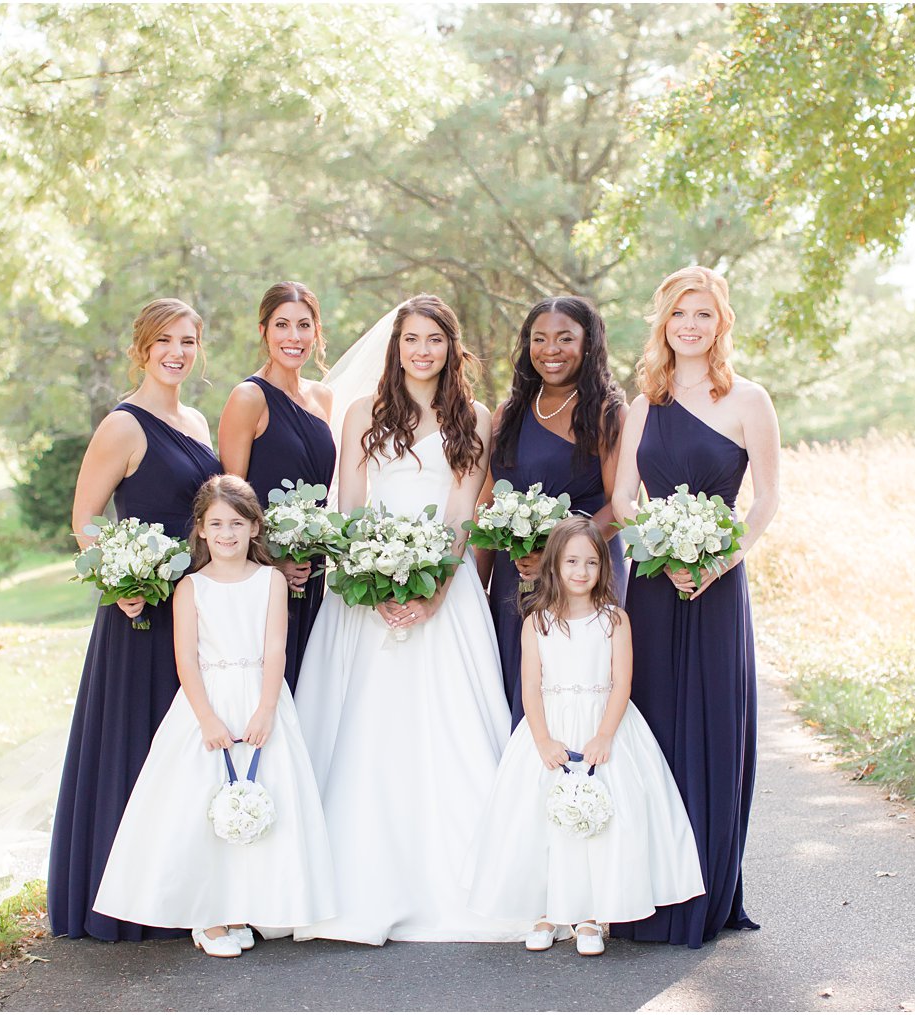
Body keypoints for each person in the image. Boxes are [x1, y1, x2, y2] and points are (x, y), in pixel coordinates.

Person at [293, 294, 524, 945]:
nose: (422, 350)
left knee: (449, 730)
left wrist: (432, 590)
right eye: (412, 339)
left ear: (452, 348)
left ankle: (466, 885)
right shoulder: (363, 414)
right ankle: (354, 884)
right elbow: (354, 509)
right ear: (396, 347)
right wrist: (372, 583)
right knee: (367, 728)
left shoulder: (472, 417)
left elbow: (459, 517)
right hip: (365, 598)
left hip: (443, 599)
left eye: (435, 340)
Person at [93, 476, 335, 957]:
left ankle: (243, 905)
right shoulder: (191, 587)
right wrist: (205, 718)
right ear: (201, 530)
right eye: (217, 523)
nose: (227, 533)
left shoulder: (269, 580)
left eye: (237, 523)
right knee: (200, 804)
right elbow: (185, 659)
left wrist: (267, 709)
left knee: (265, 797)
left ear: (254, 528)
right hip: (207, 701)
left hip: (259, 696)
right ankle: (208, 918)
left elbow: (274, 647)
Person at [609, 265, 780, 948]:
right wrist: (661, 548)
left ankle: (707, 892)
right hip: (653, 580)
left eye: (703, 314)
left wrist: (716, 560)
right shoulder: (641, 405)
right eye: (680, 312)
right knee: (649, 728)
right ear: (663, 321)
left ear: (721, 323)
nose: (690, 324)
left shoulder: (749, 399)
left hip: (717, 587)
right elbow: (624, 499)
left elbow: (766, 500)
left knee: (713, 727)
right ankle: (645, 887)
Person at [48, 298, 222, 942]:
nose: (177, 353)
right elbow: (85, 521)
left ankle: (187, 890)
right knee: (139, 745)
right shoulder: (123, 425)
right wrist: (122, 577)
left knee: (188, 749)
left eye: (187, 342)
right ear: (142, 349)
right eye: (164, 342)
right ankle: (122, 900)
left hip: (198, 606)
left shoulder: (199, 421)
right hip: (142, 610)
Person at [466, 518, 705, 956]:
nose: (581, 571)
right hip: (551, 729)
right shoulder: (537, 623)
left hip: (603, 726)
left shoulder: (614, 620)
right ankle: (546, 911)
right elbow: (531, 689)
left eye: (591, 562)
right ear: (553, 565)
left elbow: (621, 684)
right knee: (540, 820)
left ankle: (592, 915)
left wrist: (604, 735)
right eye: (572, 561)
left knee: (603, 820)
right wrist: (542, 741)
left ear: (603, 568)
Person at [481, 296, 628, 727]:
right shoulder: (507, 414)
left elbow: (618, 506)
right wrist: (476, 585)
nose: (551, 349)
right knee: (515, 678)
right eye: (539, 338)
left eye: (566, 338)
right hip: (517, 575)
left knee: (576, 685)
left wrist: (557, 551)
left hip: (584, 573)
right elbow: (487, 504)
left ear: (589, 344)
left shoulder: (606, 413)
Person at [218, 282, 337, 694]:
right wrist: (273, 564)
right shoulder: (248, 397)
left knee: (309, 686)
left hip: (313, 567)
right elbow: (230, 504)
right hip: (265, 573)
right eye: (282, 325)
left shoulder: (322, 397)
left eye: (304, 326)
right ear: (263, 331)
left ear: (317, 333)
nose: (294, 337)